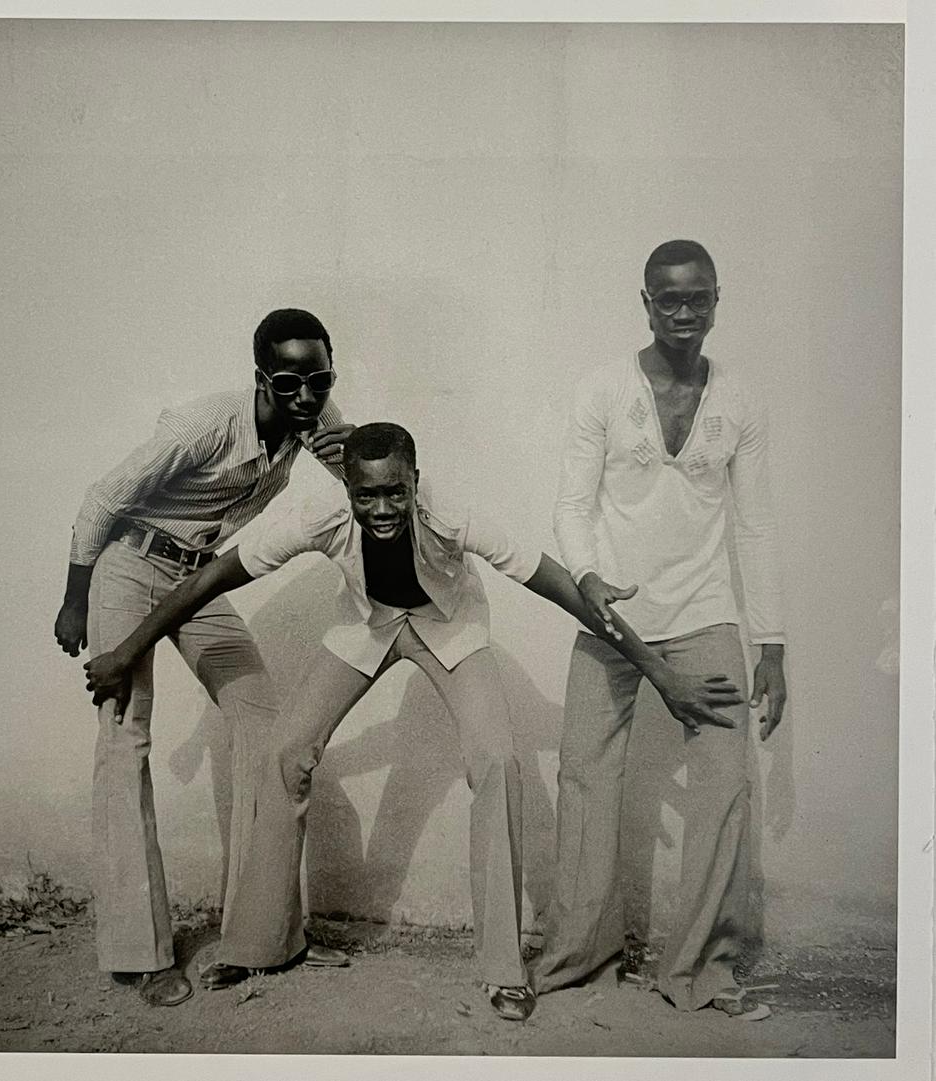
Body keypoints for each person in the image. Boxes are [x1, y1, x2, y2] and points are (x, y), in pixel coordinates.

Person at [83, 421, 744, 1022]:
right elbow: (210, 580)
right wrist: (125, 650)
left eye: (394, 493)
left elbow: (561, 587)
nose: (380, 509)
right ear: (347, 488)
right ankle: (264, 942)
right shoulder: (318, 516)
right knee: (285, 750)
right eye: (365, 496)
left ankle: (503, 969)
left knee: (499, 760)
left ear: (415, 483)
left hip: (448, 630)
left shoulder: (455, 516)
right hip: (364, 630)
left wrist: (657, 669)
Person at [53, 308, 353, 1007]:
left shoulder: (312, 414)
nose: (307, 396)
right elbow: (102, 499)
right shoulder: (207, 425)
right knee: (125, 739)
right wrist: (74, 602)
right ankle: (140, 952)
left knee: (262, 718)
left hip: (194, 578)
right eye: (289, 383)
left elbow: (362, 465)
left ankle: (263, 931)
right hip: (128, 567)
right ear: (259, 379)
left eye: (320, 379)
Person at [533, 240, 787, 1020]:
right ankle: (580, 958)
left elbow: (754, 526)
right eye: (668, 299)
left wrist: (771, 643)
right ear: (645, 302)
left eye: (698, 298)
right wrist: (589, 577)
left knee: (725, 784)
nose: (684, 312)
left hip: (707, 610)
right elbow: (572, 506)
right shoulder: (605, 389)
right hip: (613, 612)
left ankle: (700, 970)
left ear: (717, 299)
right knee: (586, 773)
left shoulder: (739, 401)